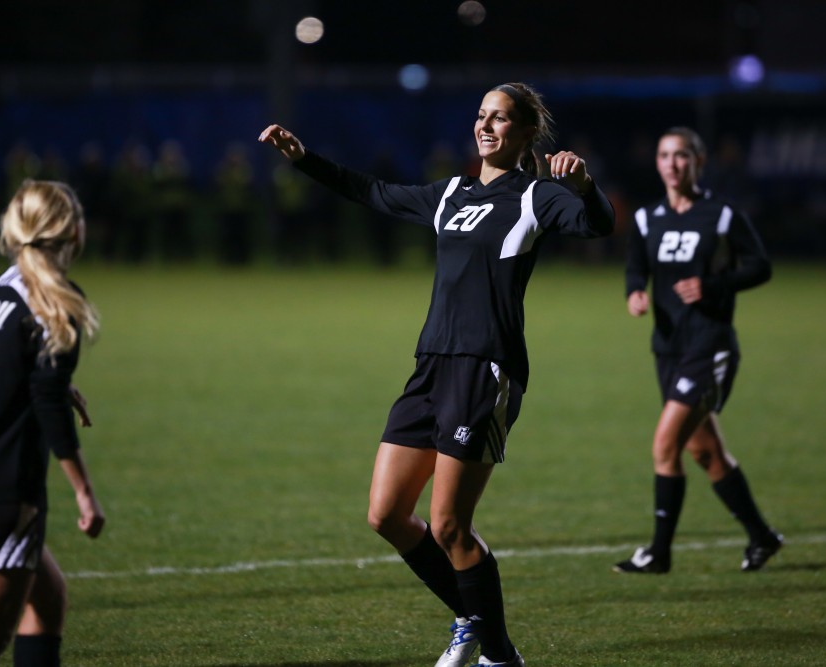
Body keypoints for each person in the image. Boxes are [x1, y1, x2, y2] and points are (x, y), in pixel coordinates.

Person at [260, 82, 615, 667]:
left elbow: (595, 225)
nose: (486, 126)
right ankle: (477, 625)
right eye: (481, 116)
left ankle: (497, 654)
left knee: (451, 526)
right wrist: (305, 161)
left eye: (500, 119)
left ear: (526, 133)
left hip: (486, 370)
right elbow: (373, 191)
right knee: (387, 515)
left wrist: (585, 187)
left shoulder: (536, 197)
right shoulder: (451, 192)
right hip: (430, 366)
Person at [0, 179, 106, 666]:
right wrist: (85, 492)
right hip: (0, 487)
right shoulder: (56, 301)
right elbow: (48, 402)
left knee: (46, 602)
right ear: (73, 232)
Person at [614, 127, 783, 575]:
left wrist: (712, 286)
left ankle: (658, 552)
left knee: (665, 444)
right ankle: (762, 537)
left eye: (682, 155)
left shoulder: (722, 215)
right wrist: (635, 293)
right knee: (705, 453)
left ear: (699, 162)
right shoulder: (648, 218)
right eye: (665, 155)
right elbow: (635, 266)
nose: (672, 163)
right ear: (657, 163)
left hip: (710, 346)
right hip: (668, 348)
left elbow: (760, 266)